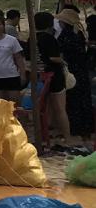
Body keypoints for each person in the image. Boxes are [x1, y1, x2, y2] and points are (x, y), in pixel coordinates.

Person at [31, 12, 70, 152]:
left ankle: (48, 135)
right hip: (55, 75)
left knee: (46, 109)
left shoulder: (32, 38)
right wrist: (63, 60)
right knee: (60, 108)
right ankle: (67, 138)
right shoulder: (49, 38)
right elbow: (54, 58)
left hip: (41, 76)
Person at [57, 8, 92, 144]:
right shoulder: (79, 33)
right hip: (82, 70)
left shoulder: (65, 35)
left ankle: (76, 129)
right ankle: (86, 130)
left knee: (73, 101)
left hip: (71, 70)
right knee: (84, 100)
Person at [0, 14, 26, 102]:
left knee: (14, 103)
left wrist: (22, 74)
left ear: (3, 26)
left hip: (11, 75)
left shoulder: (12, 40)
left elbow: (18, 58)